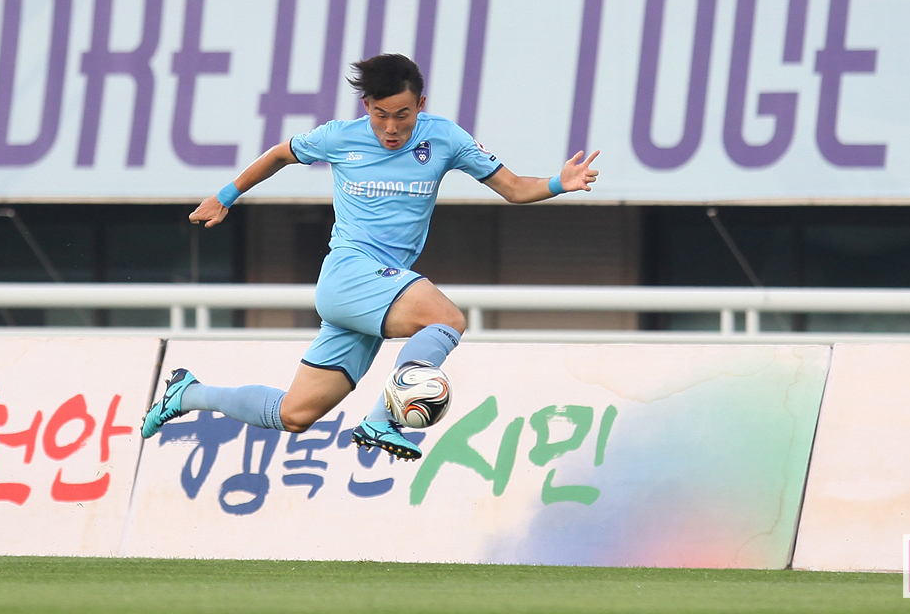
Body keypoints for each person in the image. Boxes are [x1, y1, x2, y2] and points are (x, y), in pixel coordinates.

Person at [141, 53, 599, 461]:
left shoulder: (445, 138)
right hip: (350, 273)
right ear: (367, 107)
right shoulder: (339, 137)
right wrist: (225, 197)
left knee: (294, 414)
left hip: (379, 287)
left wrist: (559, 183)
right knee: (447, 320)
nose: (391, 128)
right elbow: (279, 155)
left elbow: (514, 188)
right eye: (381, 115)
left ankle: (189, 394)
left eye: (402, 115)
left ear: (421, 104)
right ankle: (382, 419)